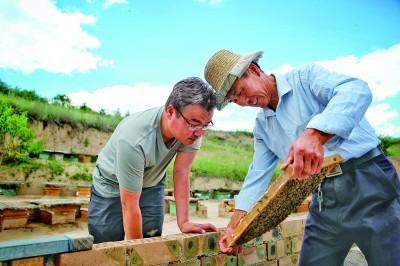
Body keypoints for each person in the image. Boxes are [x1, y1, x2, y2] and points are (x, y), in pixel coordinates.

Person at [203, 49, 400, 265]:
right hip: (323, 196)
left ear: (252, 70)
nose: (243, 101)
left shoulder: (305, 79)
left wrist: (315, 134)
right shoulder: (263, 127)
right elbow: (257, 176)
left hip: (368, 180)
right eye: (235, 99)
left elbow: (356, 90)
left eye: (240, 91)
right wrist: (236, 227)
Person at [88, 77, 218, 243]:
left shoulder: (192, 130)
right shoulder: (134, 139)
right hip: (110, 186)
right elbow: (129, 204)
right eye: (195, 123)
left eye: (206, 125)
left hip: (151, 184)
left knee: (152, 239)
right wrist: (138, 254)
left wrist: (184, 222)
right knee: (107, 249)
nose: (200, 132)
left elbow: (182, 172)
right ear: (171, 112)